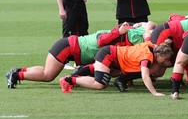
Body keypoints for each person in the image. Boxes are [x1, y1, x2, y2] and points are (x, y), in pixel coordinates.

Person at [5, 22, 154, 89]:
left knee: (46, 71)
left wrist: (135, 26)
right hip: (68, 47)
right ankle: (16, 75)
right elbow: (102, 40)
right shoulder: (108, 35)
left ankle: (18, 71)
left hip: (69, 47)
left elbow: (149, 24)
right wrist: (119, 32)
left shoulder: (114, 37)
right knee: (47, 75)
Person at [59, 40, 174, 96]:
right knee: (100, 84)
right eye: (165, 59)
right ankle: (68, 80)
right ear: (158, 55)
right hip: (109, 55)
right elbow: (145, 75)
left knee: (98, 68)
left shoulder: (152, 46)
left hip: (111, 55)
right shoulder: (147, 57)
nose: (166, 62)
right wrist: (154, 92)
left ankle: (74, 76)